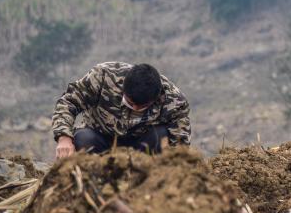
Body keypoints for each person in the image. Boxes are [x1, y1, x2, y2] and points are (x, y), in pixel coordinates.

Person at [52, 62, 191, 158]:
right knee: (83, 138)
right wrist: (64, 138)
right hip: (100, 139)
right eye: (130, 103)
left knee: (162, 137)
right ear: (123, 90)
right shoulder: (103, 76)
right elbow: (68, 101)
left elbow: (180, 145)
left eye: (142, 107)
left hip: (141, 146)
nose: (135, 109)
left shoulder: (174, 100)